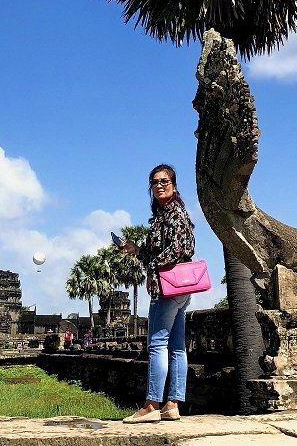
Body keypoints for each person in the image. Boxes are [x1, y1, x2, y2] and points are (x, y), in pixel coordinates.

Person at [119, 163, 195, 424]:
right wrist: (136, 250)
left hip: (167, 286)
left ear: (174, 184)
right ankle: (172, 404)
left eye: (165, 181)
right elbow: (159, 252)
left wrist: (152, 267)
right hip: (179, 286)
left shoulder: (175, 213)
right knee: (176, 346)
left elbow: (182, 248)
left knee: (157, 344)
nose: (159, 185)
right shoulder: (164, 214)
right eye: (155, 182)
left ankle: (152, 404)